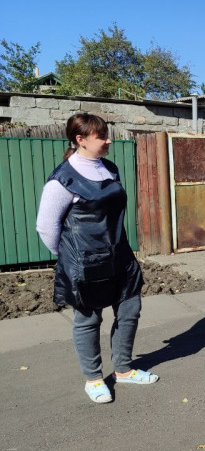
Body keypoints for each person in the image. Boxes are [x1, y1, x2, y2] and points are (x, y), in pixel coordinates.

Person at [36, 113, 158, 404]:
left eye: (107, 134)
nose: (108, 140)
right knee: (88, 319)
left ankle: (124, 370)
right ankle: (93, 379)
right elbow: (46, 226)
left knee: (130, 310)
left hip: (120, 256)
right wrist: (70, 256)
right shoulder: (63, 179)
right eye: (102, 136)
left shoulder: (110, 169)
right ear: (80, 140)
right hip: (87, 264)